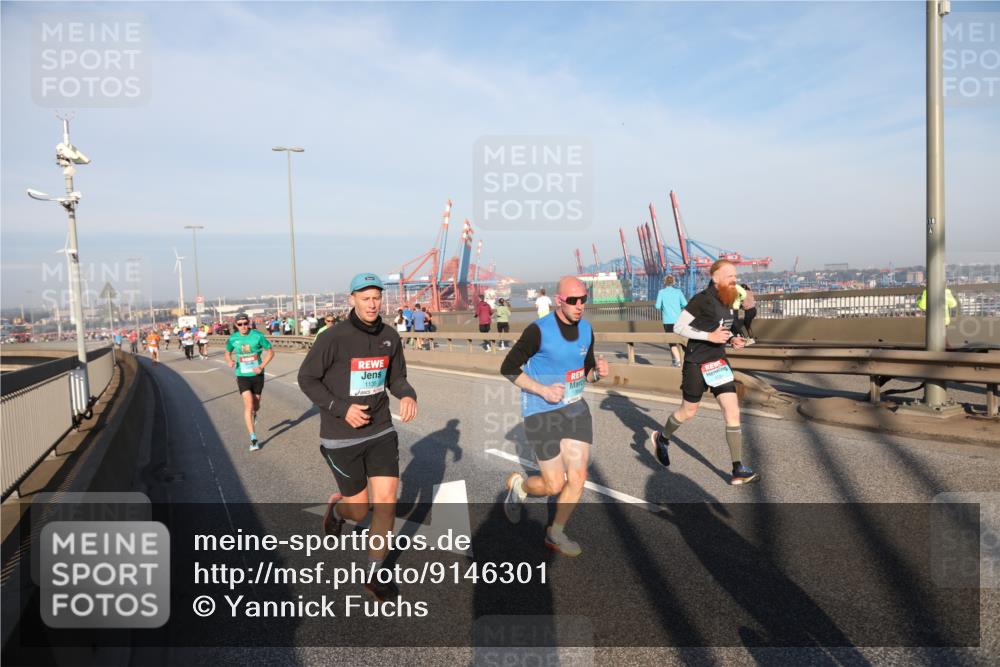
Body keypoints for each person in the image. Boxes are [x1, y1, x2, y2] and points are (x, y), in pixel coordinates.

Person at [297, 273, 417, 602]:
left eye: (376, 297)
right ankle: (338, 512)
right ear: (352, 299)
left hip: (381, 430)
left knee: (387, 503)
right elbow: (307, 378)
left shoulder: (390, 336)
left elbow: (397, 378)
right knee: (359, 510)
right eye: (365, 298)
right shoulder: (333, 337)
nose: (372, 304)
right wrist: (341, 408)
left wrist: (407, 394)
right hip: (341, 437)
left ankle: (375, 575)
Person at [501, 276, 609, 557]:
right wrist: (543, 390)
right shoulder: (538, 330)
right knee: (554, 484)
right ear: (559, 300)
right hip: (541, 411)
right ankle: (519, 487)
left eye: (584, 299)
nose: (580, 305)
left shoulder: (586, 329)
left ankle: (555, 533)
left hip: (574, 409)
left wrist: (597, 374)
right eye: (573, 300)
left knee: (578, 476)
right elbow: (508, 368)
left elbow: (586, 372)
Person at [648, 259, 760, 486]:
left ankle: (738, 468)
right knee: (688, 412)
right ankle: (662, 437)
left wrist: (733, 339)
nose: (734, 280)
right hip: (696, 363)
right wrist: (709, 336)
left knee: (732, 411)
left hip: (718, 362)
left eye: (735, 276)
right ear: (715, 278)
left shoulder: (730, 299)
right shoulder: (702, 299)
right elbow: (679, 327)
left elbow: (724, 329)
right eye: (730, 276)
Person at [225, 313, 275, 451]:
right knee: (249, 404)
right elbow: (227, 352)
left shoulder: (257, 336)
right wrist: (229, 360)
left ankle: (255, 412)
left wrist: (261, 366)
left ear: (249, 323)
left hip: (257, 375)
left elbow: (270, 352)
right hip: (242, 375)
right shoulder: (233, 338)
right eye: (240, 324)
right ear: (236, 325)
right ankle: (253, 439)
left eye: (245, 323)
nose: (243, 326)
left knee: (256, 405)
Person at [655, 275, 688, 367]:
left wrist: (664, 307)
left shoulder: (661, 292)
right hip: (679, 320)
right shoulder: (678, 292)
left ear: (664, 282)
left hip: (667, 321)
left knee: (672, 342)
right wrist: (679, 307)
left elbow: (657, 306)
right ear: (673, 282)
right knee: (681, 340)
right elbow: (685, 303)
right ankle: (678, 361)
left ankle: (678, 362)